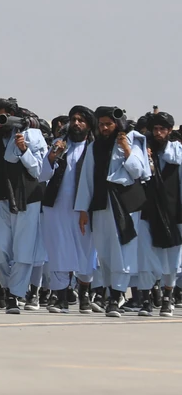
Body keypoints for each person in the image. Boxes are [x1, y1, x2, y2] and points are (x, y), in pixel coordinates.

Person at [0, 98, 48, 314]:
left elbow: (39, 171)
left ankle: (14, 295)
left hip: (27, 199)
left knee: (24, 251)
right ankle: (7, 287)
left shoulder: (33, 136)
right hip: (0, 200)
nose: (0, 120)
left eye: (4, 116)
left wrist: (24, 150)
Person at [74, 106, 148, 318]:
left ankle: (116, 296)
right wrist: (83, 209)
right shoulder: (94, 146)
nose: (105, 128)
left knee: (122, 253)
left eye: (109, 124)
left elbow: (139, 171)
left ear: (117, 124)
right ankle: (110, 294)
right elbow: (87, 179)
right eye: (102, 124)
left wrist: (126, 149)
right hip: (101, 204)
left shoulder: (133, 141)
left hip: (125, 205)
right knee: (104, 252)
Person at [39, 106, 97, 314]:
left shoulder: (94, 147)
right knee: (59, 250)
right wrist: (53, 155)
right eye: (73, 119)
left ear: (88, 125)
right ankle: (61, 297)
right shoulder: (59, 144)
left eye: (81, 120)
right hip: (57, 206)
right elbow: (42, 174)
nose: (76, 123)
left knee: (86, 251)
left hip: (84, 208)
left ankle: (84, 293)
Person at [138, 111, 182, 317]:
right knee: (146, 256)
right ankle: (146, 300)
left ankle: (167, 297)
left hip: (173, 212)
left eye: (162, 129)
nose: (158, 133)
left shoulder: (177, 152)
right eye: (155, 129)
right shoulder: (143, 150)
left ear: (169, 131)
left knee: (172, 259)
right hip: (148, 212)